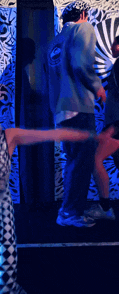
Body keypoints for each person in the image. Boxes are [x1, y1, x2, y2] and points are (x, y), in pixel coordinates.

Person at [0, 48, 98, 294]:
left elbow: (48, 134)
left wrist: (84, 135)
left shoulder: (8, 136)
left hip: (2, 215)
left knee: (5, 285)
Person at [46, 1, 106, 227]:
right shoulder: (84, 28)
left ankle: (67, 211)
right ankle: (70, 213)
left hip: (60, 111)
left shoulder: (54, 42)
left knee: (73, 161)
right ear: (83, 14)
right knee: (82, 161)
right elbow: (82, 65)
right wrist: (98, 87)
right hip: (78, 108)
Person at [85, 36, 119, 220]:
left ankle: (106, 209)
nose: (112, 47)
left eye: (115, 43)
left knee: (95, 158)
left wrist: (113, 128)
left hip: (116, 126)